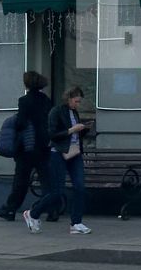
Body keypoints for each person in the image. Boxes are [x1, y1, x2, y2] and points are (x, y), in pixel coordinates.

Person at [23, 85, 92, 235]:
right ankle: (33, 213)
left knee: (80, 187)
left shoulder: (74, 112)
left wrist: (83, 130)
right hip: (58, 153)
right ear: (69, 98)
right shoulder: (56, 111)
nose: (78, 104)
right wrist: (72, 130)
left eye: (79, 102)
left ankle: (76, 222)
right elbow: (53, 134)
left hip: (74, 152)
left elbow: (73, 135)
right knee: (57, 191)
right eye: (76, 101)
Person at [0, 71, 52, 221]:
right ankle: (52, 210)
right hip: (44, 146)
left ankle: (10, 209)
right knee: (46, 181)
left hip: (27, 147)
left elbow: (21, 122)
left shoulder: (24, 100)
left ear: (27, 84)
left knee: (21, 181)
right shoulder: (46, 100)